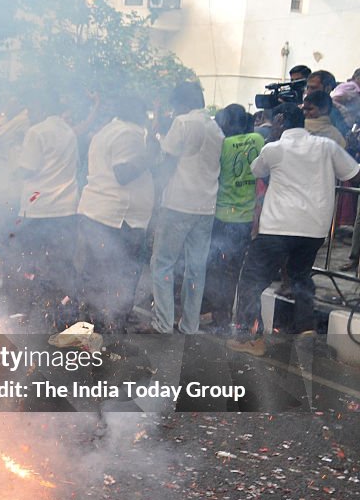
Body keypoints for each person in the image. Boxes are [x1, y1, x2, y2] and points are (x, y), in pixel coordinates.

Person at [228, 103, 359, 356]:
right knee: (300, 276)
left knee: (251, 281)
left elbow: (257, 169)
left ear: (279, 121)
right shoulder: (326, 146)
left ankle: (250, 338)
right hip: (314, 229)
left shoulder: (274, 148)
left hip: (278, 227)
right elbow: (353, 173)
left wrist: (274, 140)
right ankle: (306, 329)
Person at [146, 82, 224, 335]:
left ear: (181, 102)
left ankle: (163, 323)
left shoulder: (183, 123)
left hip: (178, 204)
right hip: (205, 207)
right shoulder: (215, 128)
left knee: (162, 264)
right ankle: (190, 326)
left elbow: (168, 163)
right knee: (195, 269)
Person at [75, 97, 154, 333]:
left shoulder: (107, 130)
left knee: (95, 277)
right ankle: (111, 334)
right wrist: (150, 154)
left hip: (99, 214)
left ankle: (92, 330)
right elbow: (123, 173)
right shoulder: (129, 133)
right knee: (120, 278)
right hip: (118, 220)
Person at [9, 91, 80, 330]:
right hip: (66, 209)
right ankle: (62, 318)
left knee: (29, 264)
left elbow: (28, 169)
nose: (29, 114)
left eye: (30, 109)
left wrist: (10, 172)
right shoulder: (68, 131)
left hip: (38, 211)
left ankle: (29, 316)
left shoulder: (36, 132)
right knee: (60, 264)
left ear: (39, 105)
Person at [201, 104, 263, 334]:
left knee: (217, 270)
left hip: (222, 216)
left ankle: (220, 319)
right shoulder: (257, 139)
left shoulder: (223, 144)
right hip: (246, 219)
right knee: (235, 269)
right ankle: (232, 320)